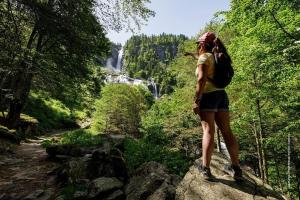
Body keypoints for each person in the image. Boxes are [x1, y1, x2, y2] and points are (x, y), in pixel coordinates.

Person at [185, 32, 242, 181]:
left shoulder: (205, 58)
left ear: (202, 44)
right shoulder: (219, 57)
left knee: (208, 130)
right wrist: (193, 55)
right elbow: (205, 61)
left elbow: (202, 79)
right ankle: (236, 168)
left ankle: (206, 169)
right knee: (227, 131)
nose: (198, 47)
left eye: (199, 45)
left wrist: (196, 100)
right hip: (222, 96)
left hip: (208, 96)